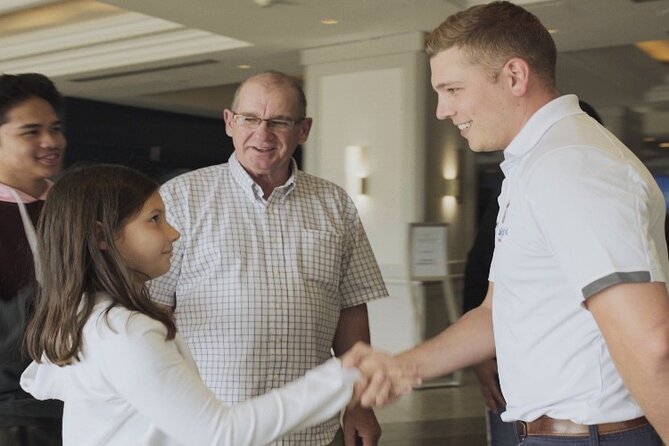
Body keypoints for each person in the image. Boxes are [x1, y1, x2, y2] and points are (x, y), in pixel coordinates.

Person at [396, 2, 669, 445]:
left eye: (452, 89)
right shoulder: (534, 164)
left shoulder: (570, 166)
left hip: (594, 437)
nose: (442, 111)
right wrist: (402, 367)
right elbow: (496, 312)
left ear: (514, 77)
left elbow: (651, 343)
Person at [19, 164, 418, 446]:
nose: (173, 233)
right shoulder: (126, 331)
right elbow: (219, 434)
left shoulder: (85, 314)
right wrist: (343, 377)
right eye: (154, 219)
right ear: (103, 237)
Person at [150, 71, 388, 446]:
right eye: (250, 119)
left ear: (304, 129)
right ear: (230, 122)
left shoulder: (335, 204)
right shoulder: (180, 199)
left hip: (312, 429)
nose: (262, 134)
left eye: (279, 121)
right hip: (212, 427)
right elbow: (154, 311)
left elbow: (351, 308)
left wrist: (360, 402)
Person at [463, 101, 603, 446]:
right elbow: (483, 280)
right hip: (522, 391)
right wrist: (479, 355)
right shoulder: (513, 192)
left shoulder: (599, 199)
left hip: (586, 407)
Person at [0, 73, 65, 446]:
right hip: (15, 417)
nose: (50, 142)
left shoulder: (76, 208)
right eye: (31, 132)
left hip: (85, 404)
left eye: (55, 128)